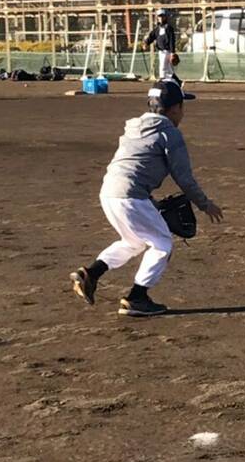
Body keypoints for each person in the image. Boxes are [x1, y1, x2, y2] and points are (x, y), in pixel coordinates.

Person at [69, 79, 224, 317]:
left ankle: (90, 274)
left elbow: (133, 167)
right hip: (130, 196)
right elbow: (183, 177)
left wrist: (149, 202)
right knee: (162, 244)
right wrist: (206, 205)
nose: (183, 112)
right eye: (182, 106)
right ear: (175, 108)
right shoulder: (170, 133)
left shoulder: (135, 128)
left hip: (109, 192)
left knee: (134, 242)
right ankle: (137, 298)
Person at [144, 9, 177, 81]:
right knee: (168, 68)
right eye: (159, 16)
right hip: (161, 51)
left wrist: (172, 53)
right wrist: (146, 43)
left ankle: (163, 79)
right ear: (157, 18)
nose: (161, 18)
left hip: (167, 51)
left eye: (162, 16)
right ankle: (176, 81)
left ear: (165, 17)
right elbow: (151, 36)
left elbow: (172, 40)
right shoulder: (157, 29)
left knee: (164, 66)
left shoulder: (168, 28)